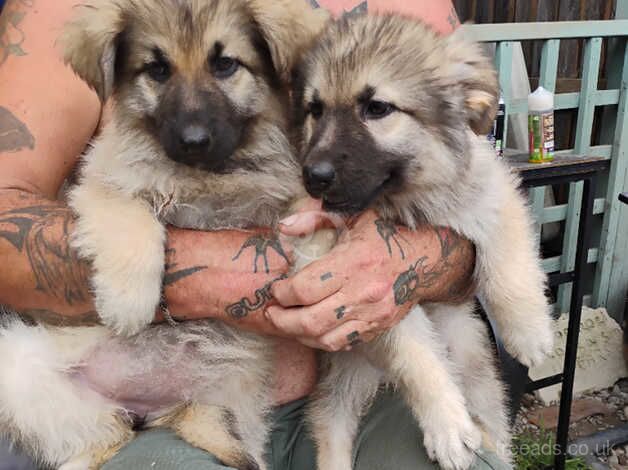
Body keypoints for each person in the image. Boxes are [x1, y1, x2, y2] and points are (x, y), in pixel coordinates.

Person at [0, 0, 509, 468]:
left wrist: (408, 262)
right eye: (159, 70)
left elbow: (474, 200)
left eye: (225, 67)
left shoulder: (409, 11)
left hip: (367, 386)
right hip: (162, 406)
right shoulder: (72, 9)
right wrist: (211, 274)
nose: (195, 124)